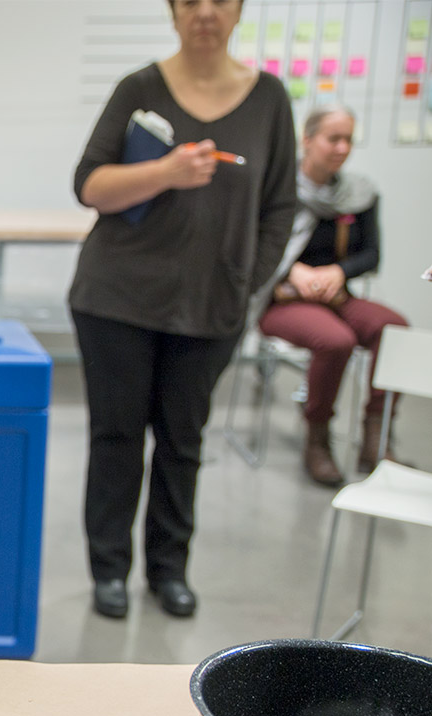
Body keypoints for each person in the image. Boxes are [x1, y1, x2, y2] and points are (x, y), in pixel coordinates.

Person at [68, 0, 296, 620]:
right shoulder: (139, 88)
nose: (205, 12)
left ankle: (169, 570)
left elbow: (280, 207)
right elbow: (89, 185)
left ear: (239, 11)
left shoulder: (269, 99)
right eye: (191, 1)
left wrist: (247, 281)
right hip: (117, 299)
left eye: (220, 0)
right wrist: (166, 170)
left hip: (211, 306)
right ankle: (109, 570)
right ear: (173, 12)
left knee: (182, 440)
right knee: (116, 437)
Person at [255, 105, 407, 486]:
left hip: (336, 294)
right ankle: (317, 438)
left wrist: (338, 272)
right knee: (336, 341)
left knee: (394, 328)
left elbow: (371, 255)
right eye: (333, 138)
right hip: (282, 298)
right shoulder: (275, 188)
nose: (342, 148)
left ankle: (376, 436)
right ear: (307, 140)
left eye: (348, 140)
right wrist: (293, 270)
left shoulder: (359, 193)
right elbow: (253, 246)